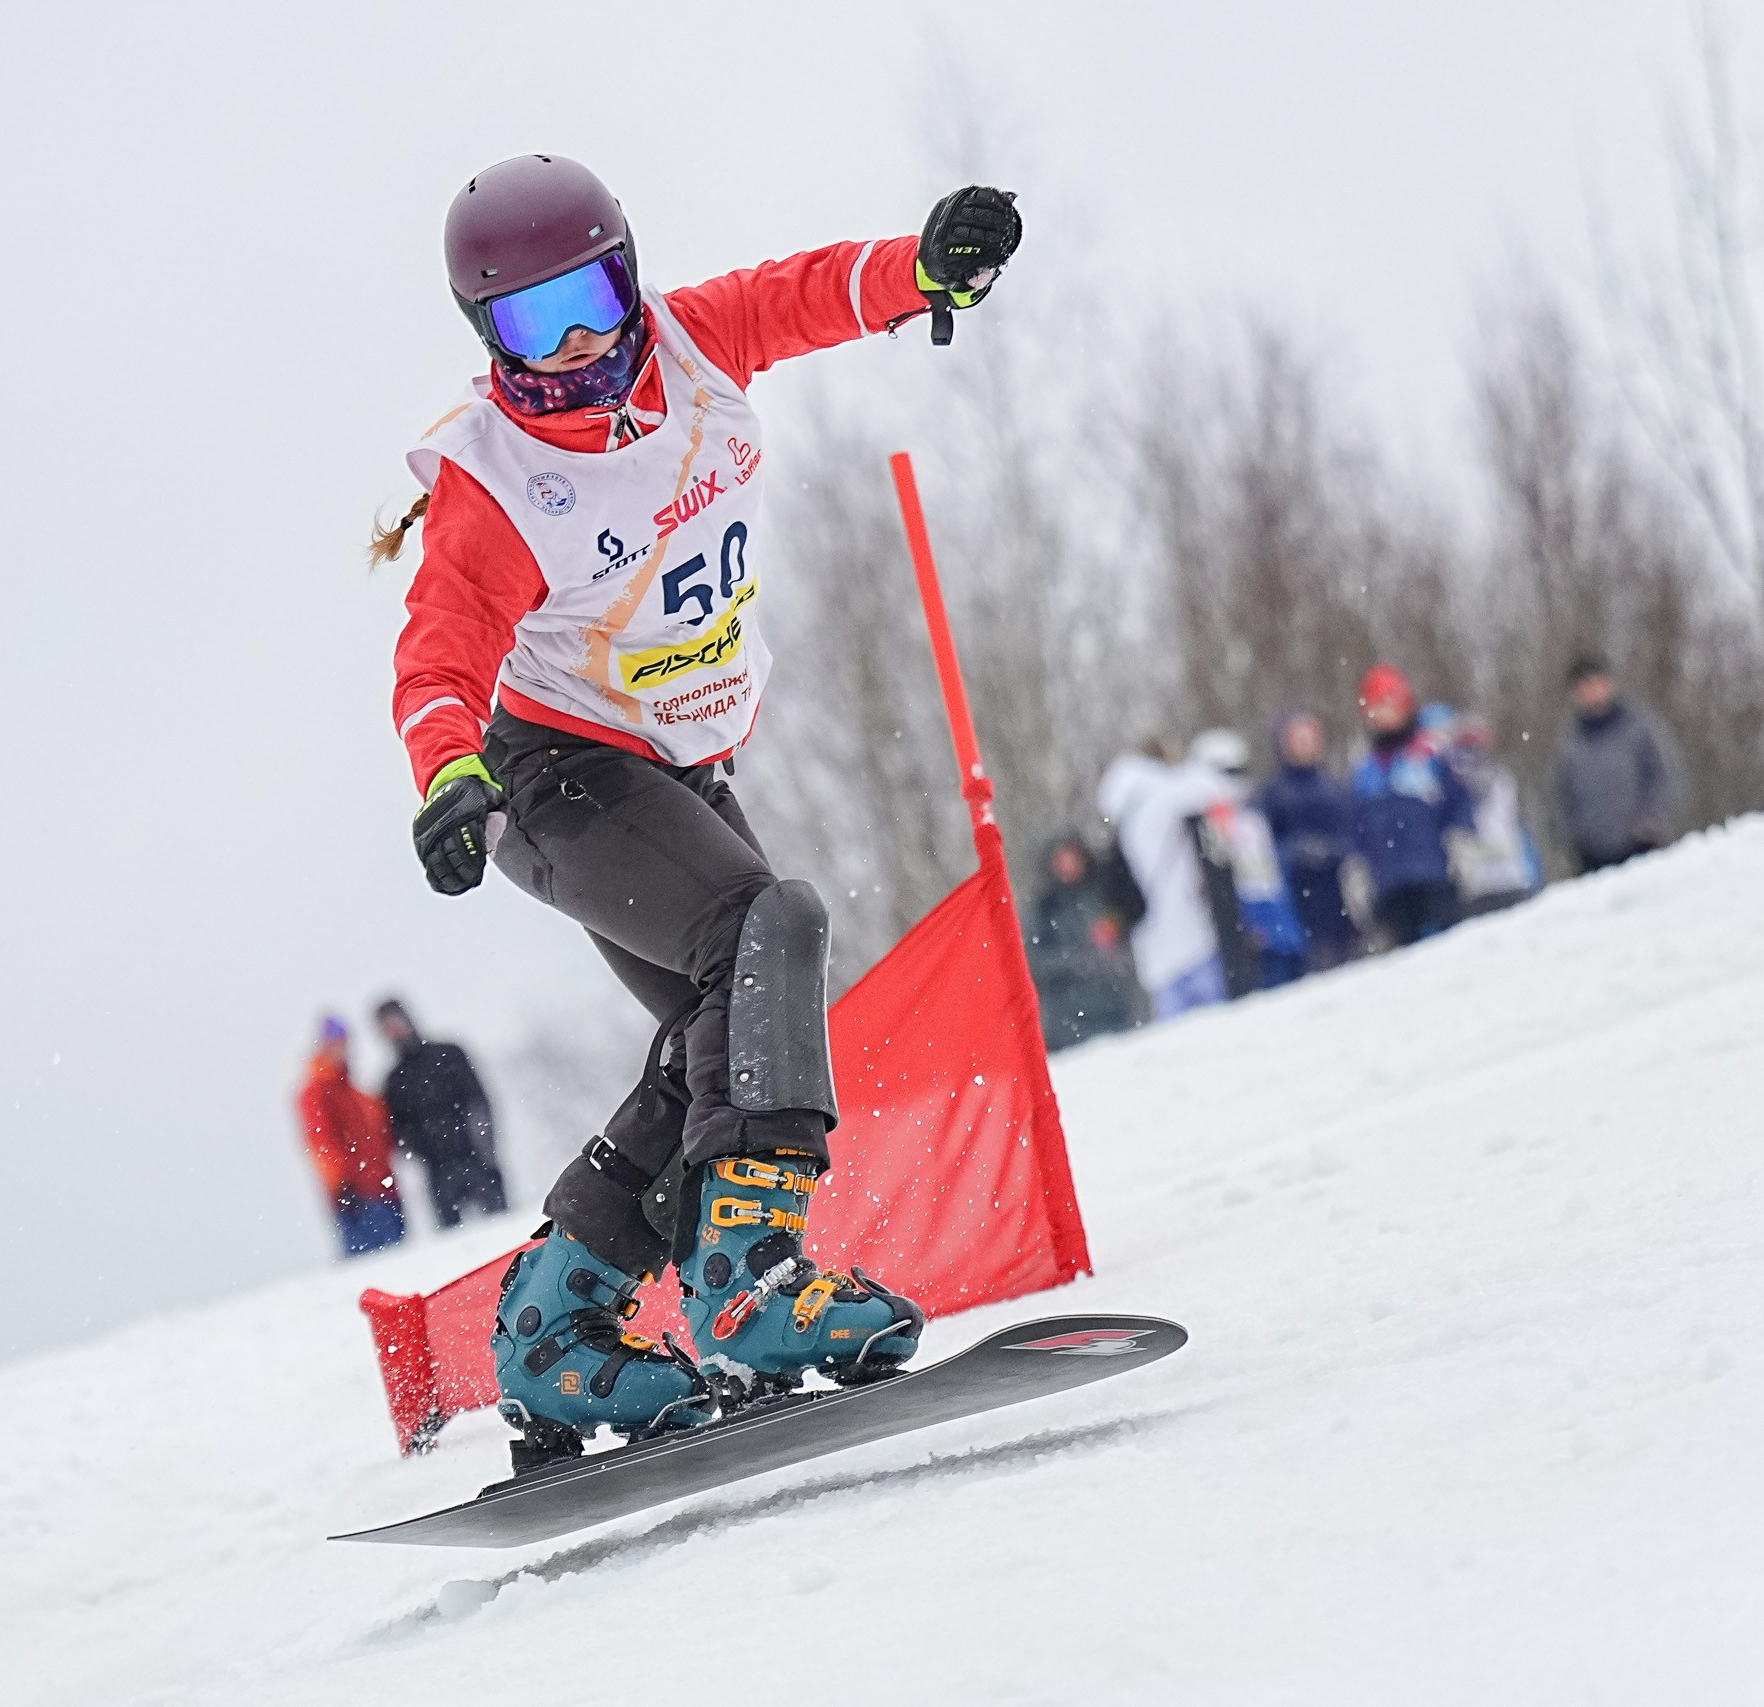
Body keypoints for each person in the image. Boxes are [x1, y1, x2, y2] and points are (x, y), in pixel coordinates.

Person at [380, 156, 1016, 1464]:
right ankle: (746, 1279)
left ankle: (556, 1332)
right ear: (484, 337)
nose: (576, 347)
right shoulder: (495, 480)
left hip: (672, 767)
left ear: (629, 277)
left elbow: (812, 291)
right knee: (764, 923)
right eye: (529, 326)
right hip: (550, 772)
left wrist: (927, 266)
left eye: (590, 302)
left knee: (721, 1034)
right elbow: (437, 658)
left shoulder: (686, 344)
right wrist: (448, 778)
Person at [1095, 738, 1233, 1020]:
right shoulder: (1165, 794)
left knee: (1177, 1038)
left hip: (1154, 954)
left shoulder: (1122, 824)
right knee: (1220, 1026)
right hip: (1194, 935)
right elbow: (1214, 790)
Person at [1348, 664, 1473, 947]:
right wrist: (1358, 867)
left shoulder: (1430, 754)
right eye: (1377, 706)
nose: (1384, 713)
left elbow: (1458, 800)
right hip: (1389, 885)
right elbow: (1358, 825)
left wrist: (1461, 838)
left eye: (1391, 703)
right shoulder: (1365, 769)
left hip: (1436, 874)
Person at [1187, 729, 1309, 989]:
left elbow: (1272, 874)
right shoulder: (1202, 829)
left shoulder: (1254, 815)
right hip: (1249, 943)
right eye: (1230, 773)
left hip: (1282, 930)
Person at [374, 997, 508, 1228]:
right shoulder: (394, 1081)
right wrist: (422, 1150)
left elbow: (478, 1103)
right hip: (438, 1172)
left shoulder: (448, 1054)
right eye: (387, 1026)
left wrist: (485, 1149)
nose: (394, 1029)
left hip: (476, 1159)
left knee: (503, 1232)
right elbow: (398, 1132)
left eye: (396, 1021)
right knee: (456, 1246)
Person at [1254, 709, 1363, 973]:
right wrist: (1296, 852)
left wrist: (1335, 852)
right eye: (1298, 738)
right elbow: (1263, 847)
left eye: (1309, 738)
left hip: (1339, 893)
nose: (1305, 745)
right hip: (1299, 899)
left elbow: (1353, 832)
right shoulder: (1273, 795)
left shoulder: (1334, 787)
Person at [1555, 655, 1678, 873]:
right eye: (1583, 686)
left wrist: (1651, 821)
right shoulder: (1571, 741)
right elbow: (1561, 793)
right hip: (1591, 855)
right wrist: (1572, 836)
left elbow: (1662, 773)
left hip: (1639, 846)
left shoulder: (1637, 726)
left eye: (1595, 683)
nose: (1591, 691)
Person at [295, 1017, 405, 1258]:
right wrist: (341, 1185)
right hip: (358, 1199)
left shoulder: (357, 1094)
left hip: (384, 1193)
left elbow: (383, 1139)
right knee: (372, 1269)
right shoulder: (317, 1092)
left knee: (400, 1267)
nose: (342, 1048)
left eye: (344, 1041)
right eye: (334, 1042)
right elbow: (322, 1143)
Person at [1023, 833, 1144, 1049]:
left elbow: (1128, 925)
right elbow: (1035, 961)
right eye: (1062, 860)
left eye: (1073, 858)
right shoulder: (1045, 908)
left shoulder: (1105, 892)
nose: (1069, 866)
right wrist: (1074, 962)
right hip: (1069, 1023)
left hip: (1119, 1010)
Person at [1430, 708, 1540, 917]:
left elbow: (1516, 830)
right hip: (1483, 885)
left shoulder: (1502, 780)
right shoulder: (1452, 785)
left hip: (1507, 880)